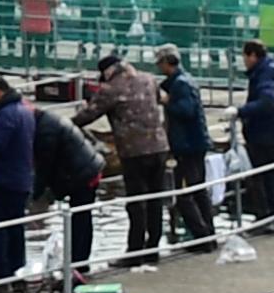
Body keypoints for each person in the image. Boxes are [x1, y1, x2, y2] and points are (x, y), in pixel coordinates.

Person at [75, 52, 169, 265]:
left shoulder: (111, 88)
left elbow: (88, 115)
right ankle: (153, 248)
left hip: (134, 151)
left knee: (136, 202)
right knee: (156, 199)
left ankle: (134, 252)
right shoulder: (149, 79)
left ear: (107, 72)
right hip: (160, 147)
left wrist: (63, 125)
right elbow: (160, 99)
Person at [31, 93, 105, 271]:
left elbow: (45, 165)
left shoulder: (46, 131)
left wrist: (37, 193)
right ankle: (80, 262)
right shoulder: (51, 121)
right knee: (82, 218)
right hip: (89, 168)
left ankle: (78, 264)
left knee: (80, 218)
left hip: (82, 174)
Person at [153, 47, 218, 248]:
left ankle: (202, 235)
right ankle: (208, 233)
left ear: (167, 62)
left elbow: (187, 110)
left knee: (185, 194)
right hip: (193, 143)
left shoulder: (180, 85)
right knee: (198, 190)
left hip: (187, 146)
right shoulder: (184, 81)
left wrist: (167, 101)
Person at [0, 76, 37, 281]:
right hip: (21, 177)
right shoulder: (24, 110)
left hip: (5, 179)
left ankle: (1, 275)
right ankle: (16, 272)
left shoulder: (7, 114)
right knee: (15, 229)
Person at [235, 39, 274, 221]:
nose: (244, 60)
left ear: (252, 56)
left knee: (259, 177)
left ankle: (265, 216)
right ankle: (271, 215)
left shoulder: (264, 74)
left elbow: (267, 101)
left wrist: (241, 111)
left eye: (245, 56)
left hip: (262, 132)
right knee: (269, 176)